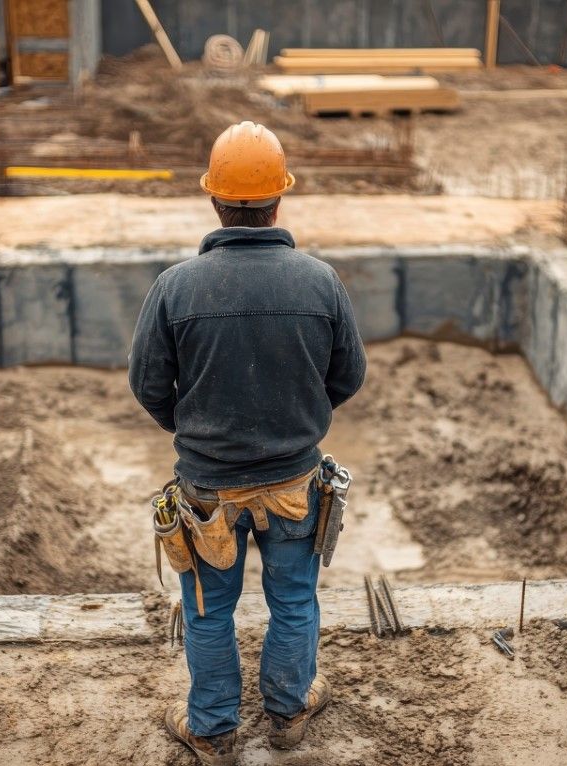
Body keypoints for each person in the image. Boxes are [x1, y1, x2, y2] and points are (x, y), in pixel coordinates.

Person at [128, 121, 367, 765]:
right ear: (278, 200)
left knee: (209, 611)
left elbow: (148, 385)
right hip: (294, 482)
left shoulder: (175, 287)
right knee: (293, 598)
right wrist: (299, 421)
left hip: (209, 488)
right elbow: (349, 376)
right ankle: (288, 715)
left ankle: (211, 727)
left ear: (214, 200)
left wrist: (199, 435)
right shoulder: (321, 282)